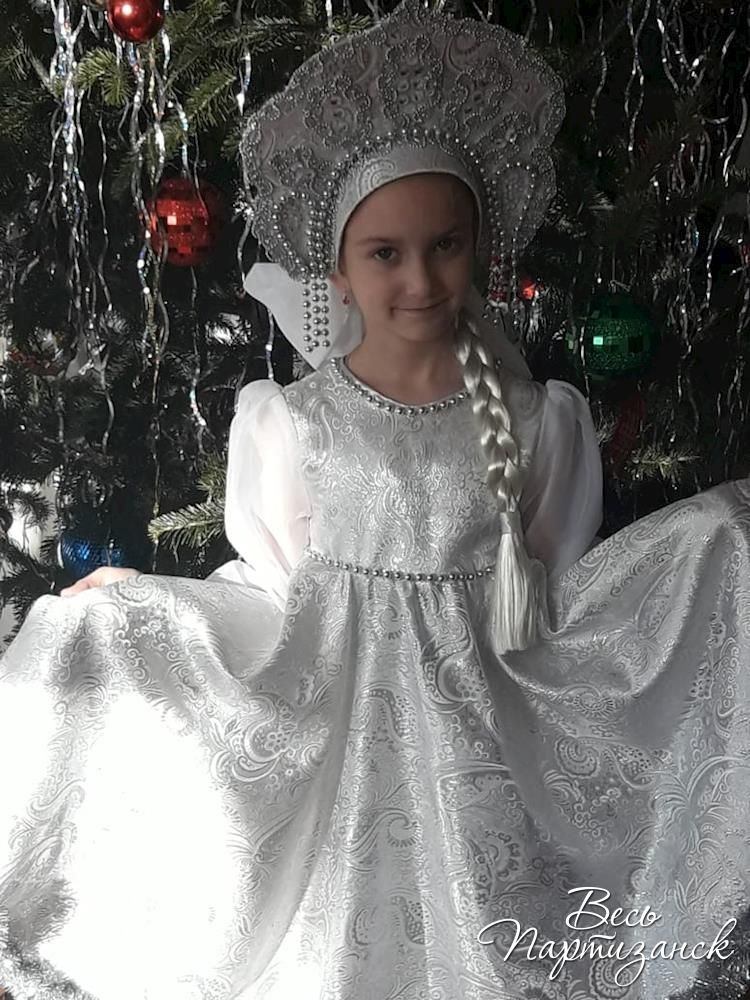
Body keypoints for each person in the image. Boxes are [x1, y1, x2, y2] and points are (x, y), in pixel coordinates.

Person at [2, 2, 750, 999]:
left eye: (446, 245)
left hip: (487, 746)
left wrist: (714, 544)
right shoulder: (293, 422)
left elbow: (557, 598)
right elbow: (272, 592)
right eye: (386, 253)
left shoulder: (539, 422)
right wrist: (139, 608)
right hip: (337, 740)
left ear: (482, 247)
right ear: (340, 271)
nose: (421, 278)